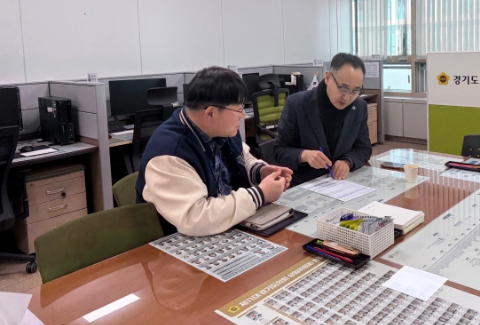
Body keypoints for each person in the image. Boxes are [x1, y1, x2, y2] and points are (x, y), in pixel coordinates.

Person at [135, 66, 292, 236]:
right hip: (181, 240)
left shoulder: (219, 128)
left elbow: (243, 157)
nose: (242, 116)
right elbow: (195, 219)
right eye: (238, 109)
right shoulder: (169, 153)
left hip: (227, 226)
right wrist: (260, 195)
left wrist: (259, 171)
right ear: (210, 113)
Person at [274, 52, 372, 186]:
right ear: (328, 77)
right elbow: (279, 151)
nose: (348, 97)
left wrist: (347, 161)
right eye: (343, 88)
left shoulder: (359, 107)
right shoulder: (296, 104)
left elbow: (364, 149)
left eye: (355, 91)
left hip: (341, 184)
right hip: (305, 185)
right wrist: (304, 155)